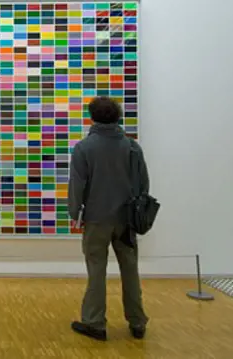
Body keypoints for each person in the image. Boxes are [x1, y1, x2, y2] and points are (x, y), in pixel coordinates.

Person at [68, 96, 149, 341]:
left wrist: (75, 214)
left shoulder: (84, 148)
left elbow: (77, 186)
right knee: (130, 269)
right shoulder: (132, 147)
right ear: (118, 117)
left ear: (92, 117)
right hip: (126, 219)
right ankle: (137, 322)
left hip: (96, 218)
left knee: (96, 270)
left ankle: (95, 322)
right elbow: (143, 184)